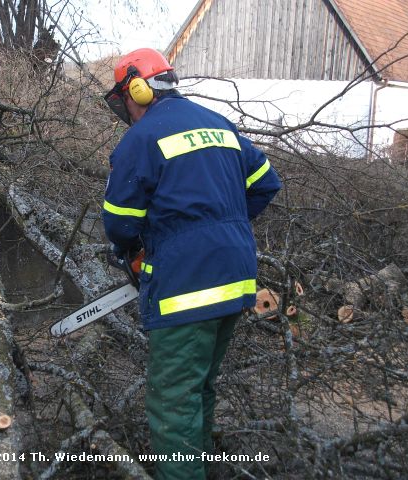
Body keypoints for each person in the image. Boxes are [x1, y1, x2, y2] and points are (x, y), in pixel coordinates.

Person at [102, 48, 282, 479]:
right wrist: (222, 227)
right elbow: (265, 184)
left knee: (172, 402)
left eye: (124, 98)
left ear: (137, 90)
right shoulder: (220, 126)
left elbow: (120, 222)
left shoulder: (141, 139)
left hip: (185, 287)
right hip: (236, 280)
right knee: (198, 389)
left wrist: (144, 248)